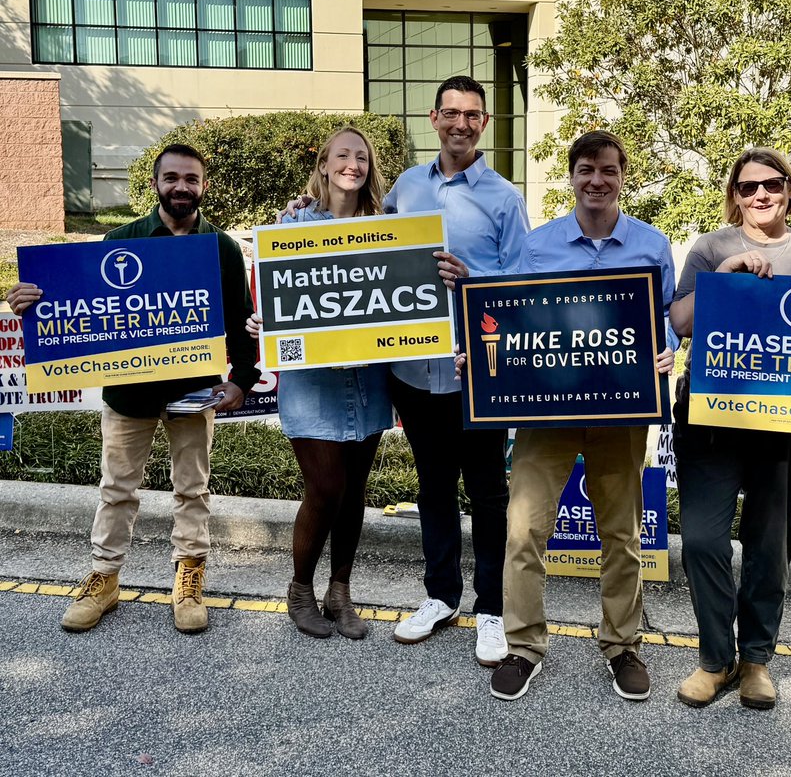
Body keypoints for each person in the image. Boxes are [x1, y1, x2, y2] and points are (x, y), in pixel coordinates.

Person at [284, 76, 529, 664]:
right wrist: (297, 222)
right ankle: (441, 596)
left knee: (490, 494)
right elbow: (363, 264)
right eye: (451, 113)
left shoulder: (503, 197)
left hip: (478, 369)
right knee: (434, 489)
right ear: (434, 118)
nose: (461, 124)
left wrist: (474, 279)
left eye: (473, 115)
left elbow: (522, 283)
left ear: (485, 123)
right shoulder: (404, 188)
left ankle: (491, 608)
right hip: (413, 375)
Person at [6, 144, 259, 634]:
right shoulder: (120, 240)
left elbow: (239, 319)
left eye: (191, 178)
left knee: (192, 489)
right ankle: (105, 578)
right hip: (129, 393)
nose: (181, 186)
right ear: (155, 184)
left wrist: (241, 381)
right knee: (116, 490)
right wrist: (30, 299)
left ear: (203, 186)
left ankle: (189, 577)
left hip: (194, 390)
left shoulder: (221, 248)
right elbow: (81, 302)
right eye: (172, 178)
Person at [488, 130, 676, 702]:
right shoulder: (537, 244)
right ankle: (523, 646)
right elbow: (505, 310)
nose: (597, 180)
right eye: (586, 170)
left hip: (621, 410)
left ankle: (622, 646)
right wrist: (482, 349)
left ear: (623, 178)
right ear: (571, 177)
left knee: (621, 535)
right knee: (524, 531)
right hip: (545, 412)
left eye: (608, 171)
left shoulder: (652, 245)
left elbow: (662, 314)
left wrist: (664, 346)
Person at [669, 147, 791, 710]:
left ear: (790, 189)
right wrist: (723, 276)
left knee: (769, 547)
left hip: (788, 430)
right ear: (734, 195)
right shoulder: (710, 248)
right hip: (711, 422)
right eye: (747, 187)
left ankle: (757, 660)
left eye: (771, 184)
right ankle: (716, 659)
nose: (759, 195)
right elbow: (680, 323)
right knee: (702, 541)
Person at [249, 127, 394, 639]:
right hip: (312, 380)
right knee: (326, 486)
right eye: (341, 155)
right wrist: (263, 321)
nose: (351, 164)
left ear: (369, 166)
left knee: (354, 488)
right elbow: (271, 296)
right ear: (325, 164)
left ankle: (340, 590)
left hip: (368, 377)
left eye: (360, 156)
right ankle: (300, 589)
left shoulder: (387, 225)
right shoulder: (294, 223)